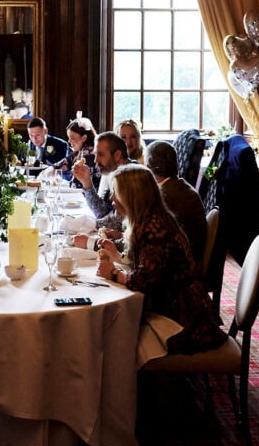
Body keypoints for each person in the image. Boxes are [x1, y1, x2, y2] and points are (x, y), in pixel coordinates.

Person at [93, 166, 226, 355]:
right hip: (174, 306)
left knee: (112, 335)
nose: (111, 198)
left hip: (182, 320)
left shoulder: (154, 227)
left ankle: (135, 381)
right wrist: (116, 255)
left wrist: (114, 273)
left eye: (116, 192)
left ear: (130, 196)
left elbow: (145, 282)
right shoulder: (149, 218)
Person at [144, 140, 208, 270]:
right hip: (185, 258)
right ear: (176, 165)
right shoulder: (180, 186)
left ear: (149, 169)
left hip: (179, 269)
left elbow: (147, 241)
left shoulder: (163, 197)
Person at [71, 131, 131, 238]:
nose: (95, 160)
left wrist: (86, 224)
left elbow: (118, 223)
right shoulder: (113, 172)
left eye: (101, 154)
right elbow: (103, 212)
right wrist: (87, 182)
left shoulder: (132, 177)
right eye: (95, 154)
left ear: (117, 155)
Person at [62, 116, 97, 187]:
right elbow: (63, 163)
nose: (69, 141)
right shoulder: (80, 150)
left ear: (84, 138)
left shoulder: (88, 153)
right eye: (68, 138)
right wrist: (52, 168)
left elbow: (76, 184)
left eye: (72, 138)